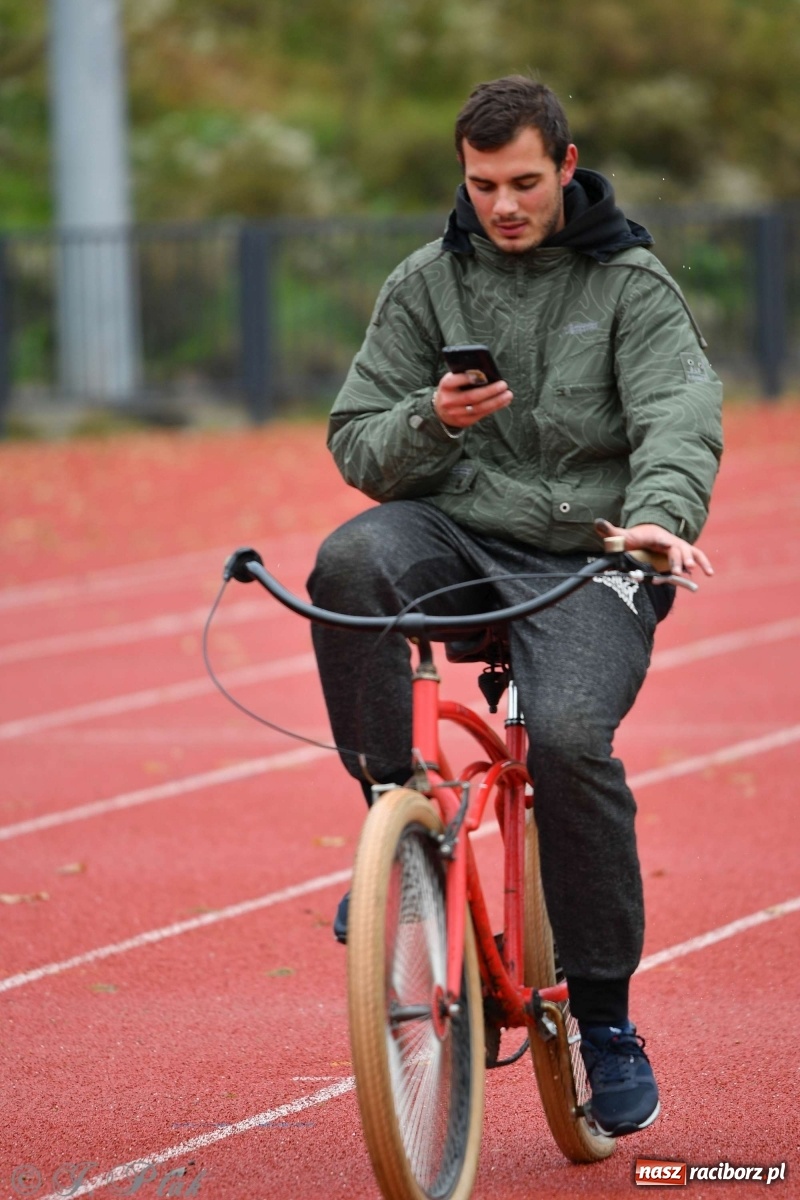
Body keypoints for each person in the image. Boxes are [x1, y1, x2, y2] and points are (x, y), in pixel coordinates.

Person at [307, 75, 723, 1138]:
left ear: (565, 168)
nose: (502, 204)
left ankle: (605, 1019)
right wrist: (429, 420)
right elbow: (357, 441)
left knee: (571, 738)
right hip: (454, 530)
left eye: (524, 182)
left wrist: (656, 517)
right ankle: (394, 837)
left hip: (593, 554)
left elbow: (678, 417)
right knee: (348, 565)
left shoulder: (631, 285)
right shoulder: (423, 282)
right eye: (483, 182)